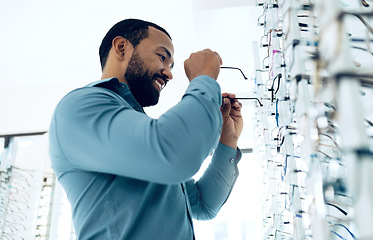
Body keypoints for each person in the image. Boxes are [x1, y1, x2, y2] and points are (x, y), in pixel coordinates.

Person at [49, 18, 244, 240]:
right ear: (121, 48)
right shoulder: (81, 106)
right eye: (162, 57)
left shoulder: (141, 132)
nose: (169, 74)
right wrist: (203, 80)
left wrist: (227, 140)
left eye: (171, 66)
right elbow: (175, 156)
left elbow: (202, 204)